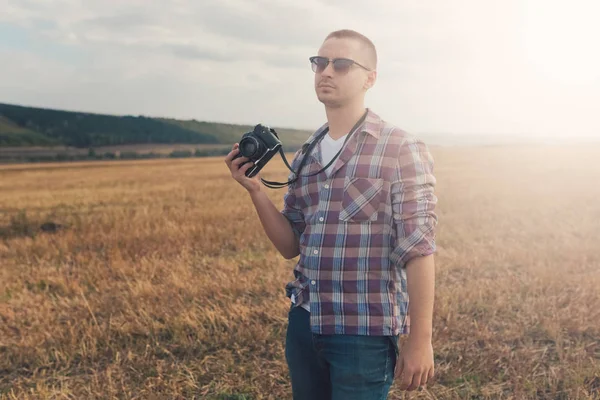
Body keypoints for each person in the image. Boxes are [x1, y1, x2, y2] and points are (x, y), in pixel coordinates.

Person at [224, 29, 438, 400]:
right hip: (305, 324)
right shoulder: (307, 151)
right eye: (319, 63)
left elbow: (418, 251)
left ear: (370, 78)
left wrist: (420, 339)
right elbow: (290, 244)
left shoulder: (400, 148)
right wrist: (256, 191)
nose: (326, 71)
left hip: (362, 333)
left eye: (341, 64)